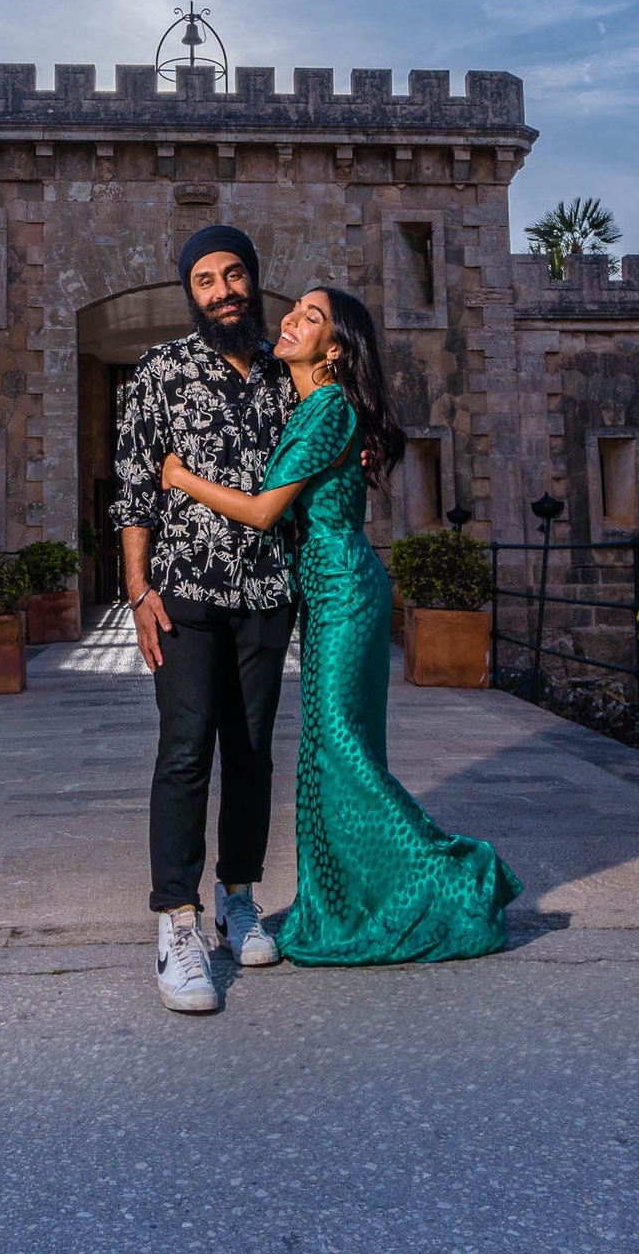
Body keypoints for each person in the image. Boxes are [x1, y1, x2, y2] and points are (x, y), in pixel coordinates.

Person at [162, 286, 521, 965]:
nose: (291, 319)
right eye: (292, 310)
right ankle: (351, 901)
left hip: (345, 594)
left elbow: (266, 512)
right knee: (332, 755)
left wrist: (178, 476)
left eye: (311, 317)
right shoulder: (315, 405)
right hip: (329, 595)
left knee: (341, 753)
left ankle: (458, 878)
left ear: (336, 347)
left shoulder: (326, 408)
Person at [110, 225, 298, 1013]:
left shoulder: (290, 378)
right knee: (186, 750)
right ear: (190, 293)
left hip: (267, 594)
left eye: (234, 276)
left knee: (250, 753)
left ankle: (240, 897)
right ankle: (176, 923)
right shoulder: (159, 372)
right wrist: (138, 591)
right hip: (183, 593)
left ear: (254, 281)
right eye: (206, 281)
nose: (222, 290)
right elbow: (133, 492)